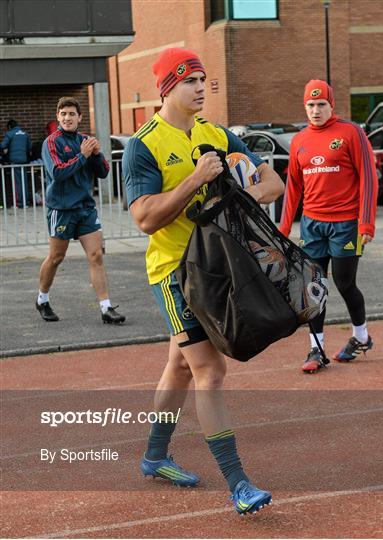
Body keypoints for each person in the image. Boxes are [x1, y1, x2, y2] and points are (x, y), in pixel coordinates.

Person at [122, 47, 285, 514]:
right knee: (210, 372)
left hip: (218, 266)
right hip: (175, 273)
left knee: (179, 367)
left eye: (203, 80)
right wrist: (195, 180)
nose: (201, 88)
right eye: (191, 81)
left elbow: (271, 181)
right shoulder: (144, 143)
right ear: (168, 87)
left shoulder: (217, 134)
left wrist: (235, 197)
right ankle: (239, 484)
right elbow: (145, 219)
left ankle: (154, 456)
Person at [279, 79, 378, 373]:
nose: (315, 110)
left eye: (321, 104)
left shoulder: (351, 133)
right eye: (310, 105)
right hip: (313, 225)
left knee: (345, 283)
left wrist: (366, 222)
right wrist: (283, 229)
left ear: (331, 105)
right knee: (314, 287)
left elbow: (368, 178)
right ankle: (316, 348)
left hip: (346, 224)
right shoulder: (299, 140)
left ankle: (361, 337)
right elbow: (293, 189)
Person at [36, 96, 125, 325]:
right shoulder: (51, 142)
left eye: (71, 114)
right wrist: (83, 155)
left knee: (96, 256)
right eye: (63, 114)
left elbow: (104, 172)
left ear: (79, 117)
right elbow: (57, 172)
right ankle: (42, 299)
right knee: (56, 257)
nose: (67, 117)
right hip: (62, 209)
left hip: (86, 208)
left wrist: (95, 154)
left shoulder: (86, 140)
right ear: (58, 117)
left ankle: (106, 308)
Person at [0, 119, 32, 208]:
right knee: (24, 181)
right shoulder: (24, 134)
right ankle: (25, 203)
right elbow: (30, 146)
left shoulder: (10, 133)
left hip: (15, 162)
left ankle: (19, 204)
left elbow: (3, 146)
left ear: (10, 127)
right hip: (24, 161)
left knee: (16, 182)